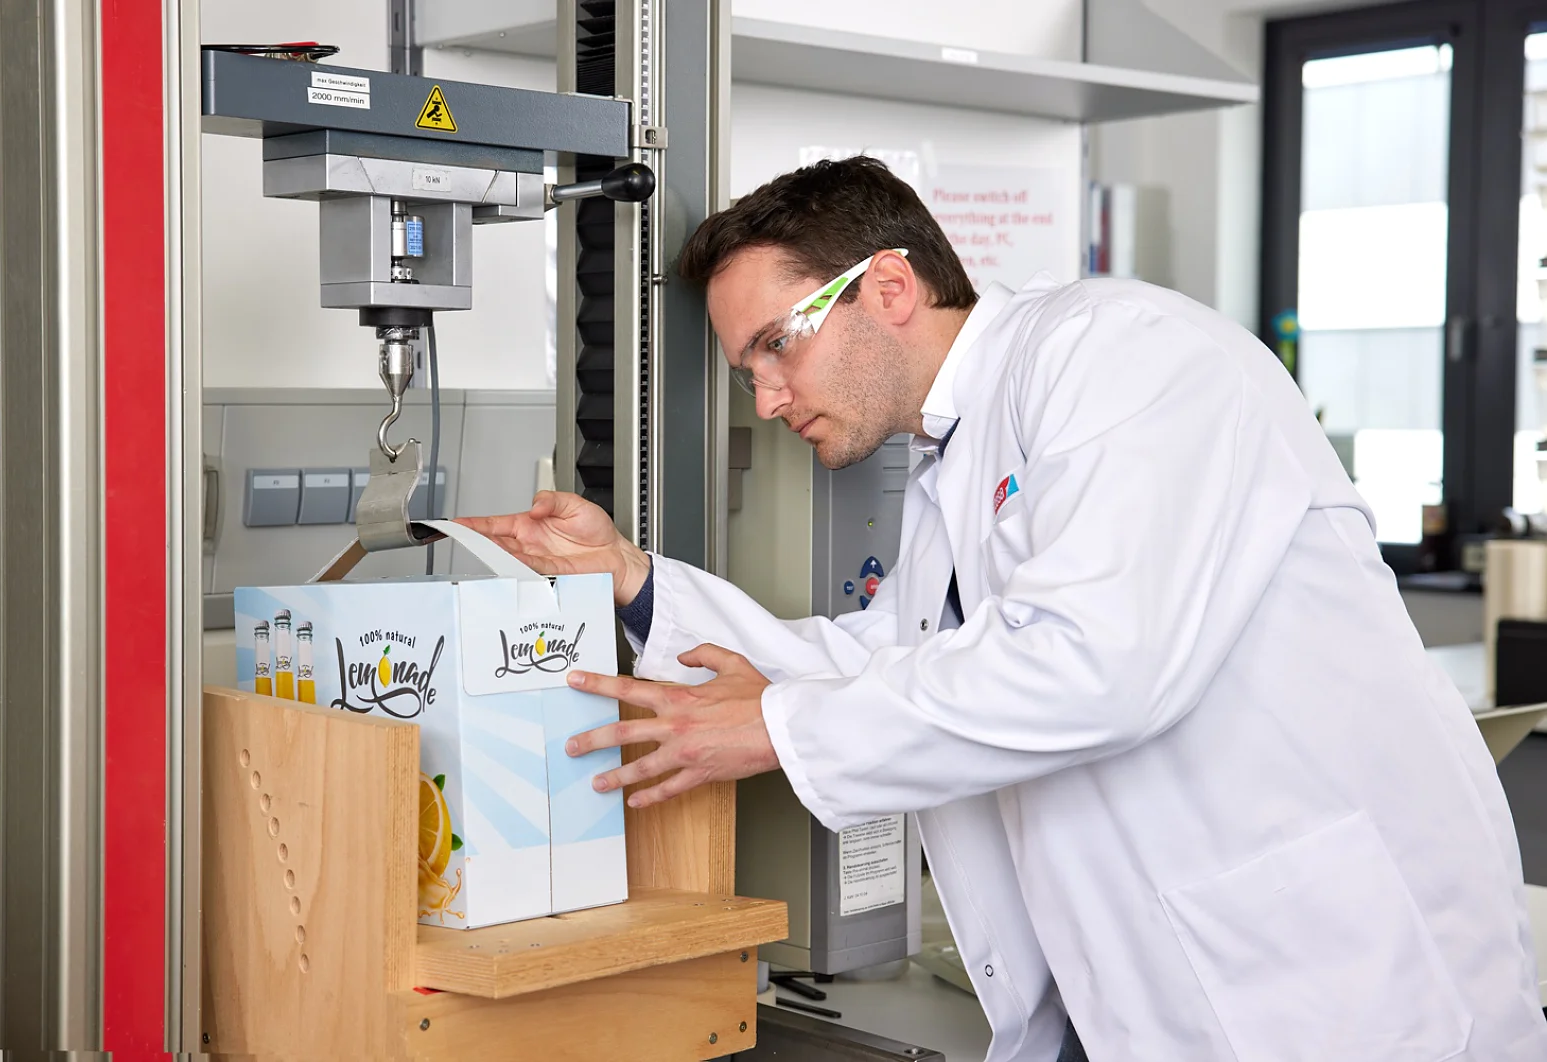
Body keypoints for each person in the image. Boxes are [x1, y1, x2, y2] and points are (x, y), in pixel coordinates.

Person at [459, 156, 1547, 1061]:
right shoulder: (955, 456)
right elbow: (883, 660)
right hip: (1158, 990)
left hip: (1329, 988)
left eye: (773, 347)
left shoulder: (1124, 356)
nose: (767, 397)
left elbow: (1095, 668)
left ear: (888, 287)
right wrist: (631, 578)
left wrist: (769, 730)